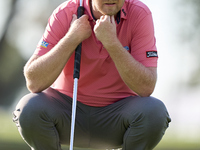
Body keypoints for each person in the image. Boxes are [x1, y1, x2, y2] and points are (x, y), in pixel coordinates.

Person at [13, 0, 171, 149]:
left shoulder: (139, 14)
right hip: (67, 113)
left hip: (117, 117)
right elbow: (33, 81)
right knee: (29, 108)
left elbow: (146, 87)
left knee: (154, 112)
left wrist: (112, 43)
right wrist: (71, 38)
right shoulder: (65, 13)